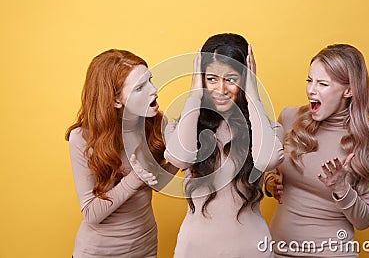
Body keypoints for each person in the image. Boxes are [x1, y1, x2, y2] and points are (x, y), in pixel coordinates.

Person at [164, 33, 284, 257]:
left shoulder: (267, 130)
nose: (220, 90)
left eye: (231, 79)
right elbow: (180, 157)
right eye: (211, 79)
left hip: (252, 249)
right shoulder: (184, 127)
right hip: (194, 250)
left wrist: (254, 98)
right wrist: (194, 95)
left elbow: (266, 160)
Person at [265, 44, 369, 257]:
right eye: (309, 80)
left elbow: (365, 220)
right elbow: (268, 169)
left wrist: (342, 189)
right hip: (275, 251)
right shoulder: (289, 118)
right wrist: (270, 183)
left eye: (322, 83)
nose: (311, 90)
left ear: (349, 90)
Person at [66, 49, 177, 258]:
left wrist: (180, 155)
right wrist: (134, 179)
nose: (153, 90)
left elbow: (157, 182)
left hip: (145, 248)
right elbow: (91, 213)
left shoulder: (156, 122)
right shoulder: (81, 138)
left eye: (150, 80)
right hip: (99, 253)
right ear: (116, 100)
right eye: (140, 88)